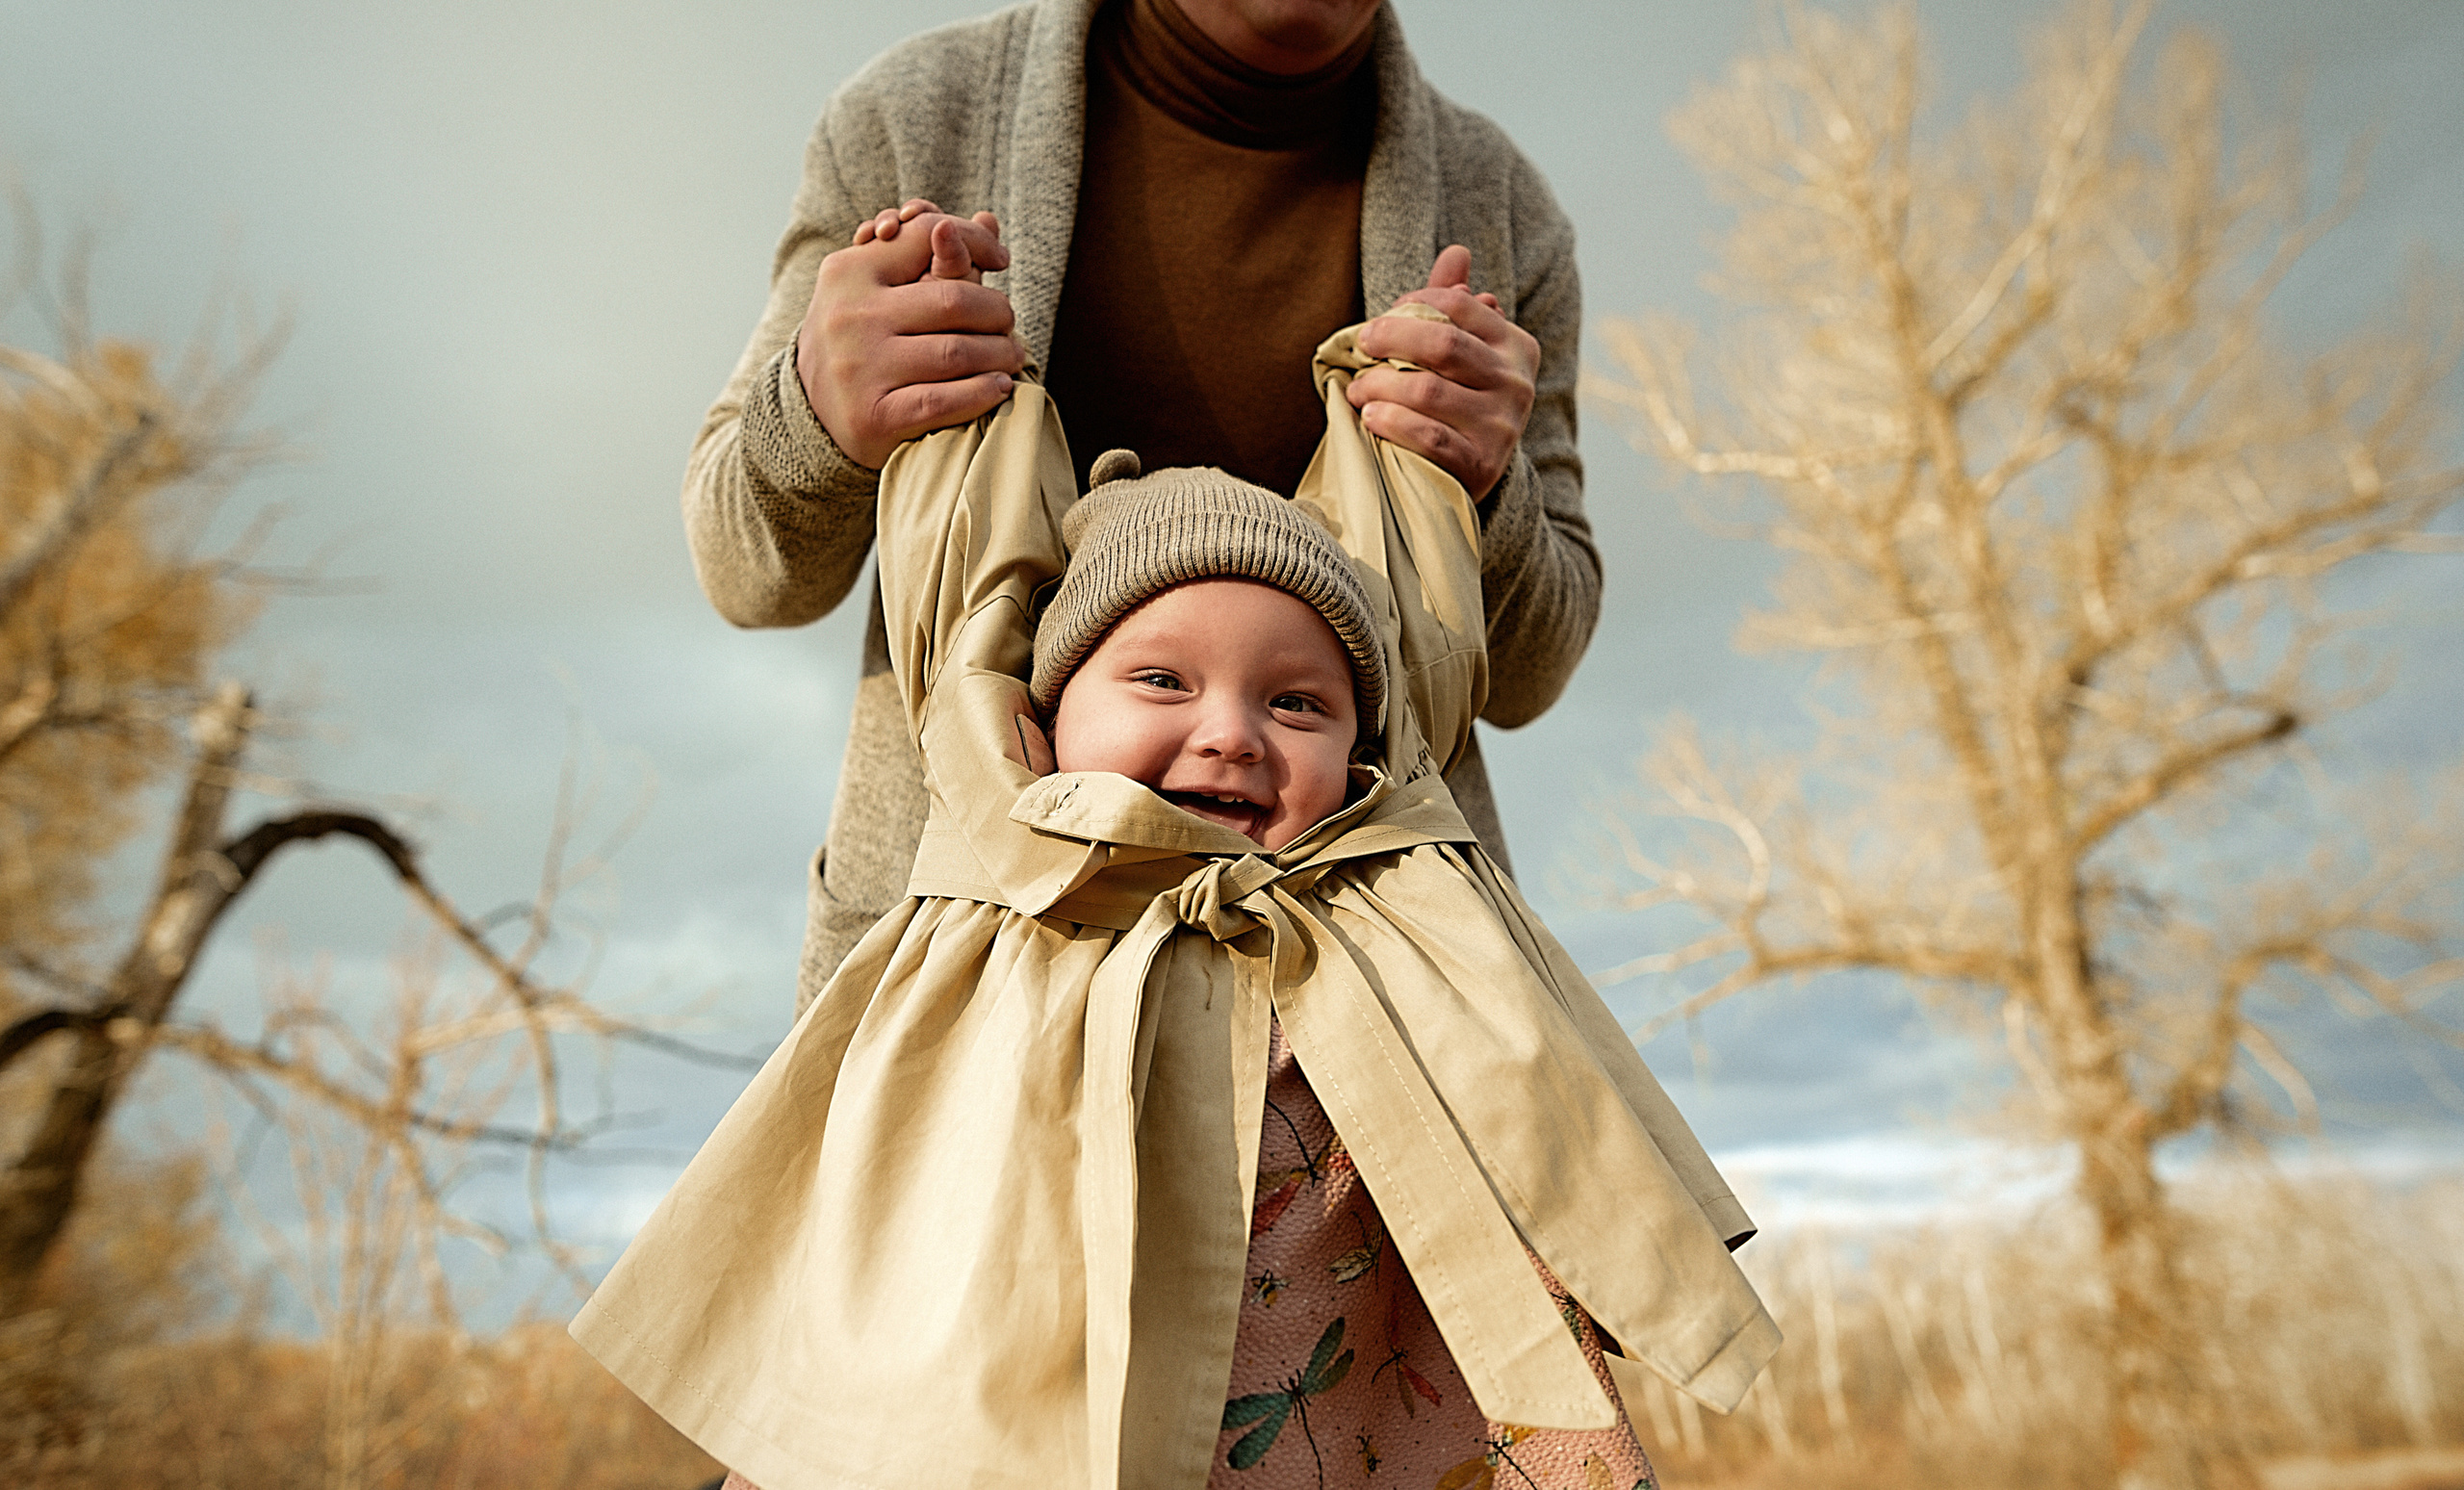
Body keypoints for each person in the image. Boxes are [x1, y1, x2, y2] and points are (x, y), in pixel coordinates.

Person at [578, 279, 1776, 1490]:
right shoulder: (1007, 906)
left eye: (1296, 703)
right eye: (1160, 682)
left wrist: (1468, 473)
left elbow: (1542, 1132)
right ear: (1045, 716)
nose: (1232, 735)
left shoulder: (1392, 931)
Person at [682, 0, 1603, 1010]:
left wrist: (1489, 489)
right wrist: (816, 407)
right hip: (966, 977)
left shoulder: (1501, 202)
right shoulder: (913, 115)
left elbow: (1529, 673)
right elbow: (745, 573)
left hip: (1370, 990)